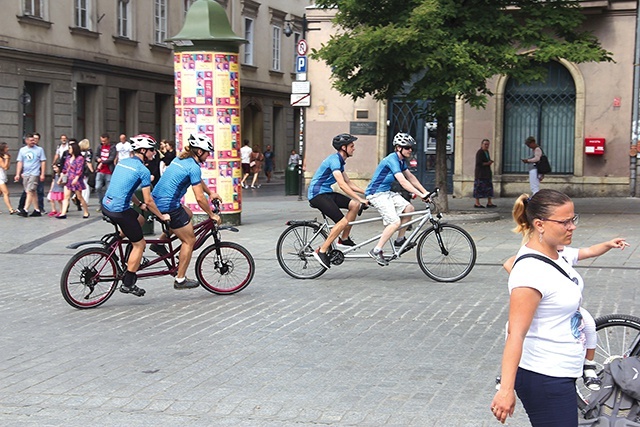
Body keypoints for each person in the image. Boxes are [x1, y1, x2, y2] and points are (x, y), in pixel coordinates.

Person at [491, 189, 586, 426]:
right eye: (564, 222)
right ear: (539, 224)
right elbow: (516, 333)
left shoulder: (556, 254)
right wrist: (505, 390)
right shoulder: (531, 271)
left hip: (560, 371)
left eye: (573, 219)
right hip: (544, 376)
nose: (572, 227)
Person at [502, 237, 630, 393]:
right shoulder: (534, 257)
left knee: (589, 323)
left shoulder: (565, 254)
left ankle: (588, 363)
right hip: (545, 306)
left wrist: (607, 245)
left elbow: (589, 251)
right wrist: (528, 286)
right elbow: (509, 263)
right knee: (516, 332)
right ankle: (509, 373)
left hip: (569, 308)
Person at [102, 135, 169, 297]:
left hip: (107, 205)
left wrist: (139, 205)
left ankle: (114, 245)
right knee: (140, 244)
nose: (154, 153)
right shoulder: (143, 170)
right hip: (120, 211)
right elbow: (150, 200)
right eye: (152, 150)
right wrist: (162, 216)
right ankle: (128, 283)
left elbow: (127, 189)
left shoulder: (123, 162)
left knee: (140, 219)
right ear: (143, 150)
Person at [151, 134, 221, 290]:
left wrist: (211, 193)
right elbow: (199, 199)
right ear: (198, 151)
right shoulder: (193, 166)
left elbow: (196, 180)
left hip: (157, 201)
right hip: (168, 206)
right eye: (207, 152)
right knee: (189, 240)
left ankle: (160, 244)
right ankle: (180, 279)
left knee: (188, 214)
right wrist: (212, 215)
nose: (209, 155)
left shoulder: (181, 159)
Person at [364, 133, 430, 266]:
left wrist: (425, 192)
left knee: (409, 208)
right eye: (407, 148)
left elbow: (410, 177)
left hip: (386, 193)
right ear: (398, 147)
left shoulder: (401, 161)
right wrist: (420, 195)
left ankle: (400, 240)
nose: (410, 150)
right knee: (394, 222)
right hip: (376, 194)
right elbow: (403, 182)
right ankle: (376, 250)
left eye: (411, 148)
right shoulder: (392, 159)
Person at [308, 133, 368, 270]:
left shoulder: (340, 162)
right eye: (352, 146)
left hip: (326, 192)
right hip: (317, 194)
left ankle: (344, 238)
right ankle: (322, 251)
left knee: (354, 205)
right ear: (343, 147)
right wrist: (360, 198)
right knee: (342, 221)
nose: (354, 148)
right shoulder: (334, 161)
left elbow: (349, 182)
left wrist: (365, 194)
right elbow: (342, 185)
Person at [14, 133, 46, 217]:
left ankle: (25, 209)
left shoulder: (39, 150)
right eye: (31, 140)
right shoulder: (22, 150)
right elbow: (20, 162)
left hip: (34, 173)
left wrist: (42, 173)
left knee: (29, 191)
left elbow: (43, 162)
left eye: (34, 140)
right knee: (33, 192)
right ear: (26, 141)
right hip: (25, 174)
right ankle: (37, 210)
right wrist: (18, 173)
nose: (33, 141)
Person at [56, 141, 90, 219]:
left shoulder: (80, 158)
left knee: (79, 197)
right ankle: (63, 213)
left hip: (76, 180)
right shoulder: (68, 158)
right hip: (68, 179)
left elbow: (79, 169)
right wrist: (60, 178)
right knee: (66, 197)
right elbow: (65, 169)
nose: (69, 150)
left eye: (70, 148)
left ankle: (86, 211)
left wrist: (76, 178)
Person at [95, 133, 116, 211]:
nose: (103, 142)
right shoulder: (99, 147)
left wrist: (102, 163)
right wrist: (97, 159)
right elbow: (96, 155)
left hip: (108, 171)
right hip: (100, 171)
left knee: (109, 189)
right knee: (98, 187)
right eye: (102, 141)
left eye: (104, 141)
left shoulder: (112, 147)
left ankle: (108, 205)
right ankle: (101, 203)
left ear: (108, 139)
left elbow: (111, 158)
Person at [473, 138, 496, 208]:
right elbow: (479, 163)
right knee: (478, 188)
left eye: (488, 144)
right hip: (480, 174)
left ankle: (489, 202)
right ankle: (477, 203)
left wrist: (489, 162)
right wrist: (487, 163)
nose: (486, 146)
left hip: (487, 174)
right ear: (482, 144)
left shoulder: (487, 152)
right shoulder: (480, 152)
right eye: (485, 144)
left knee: (489, 188)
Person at [0, 142, 17, 214]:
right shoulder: (0, 158)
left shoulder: (4, 156)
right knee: (6, 192)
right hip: (0, 177)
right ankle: (10, 209)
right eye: (6, 147)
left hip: (2, 176)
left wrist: (8, 159)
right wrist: (7, 159)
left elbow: (7, 167)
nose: (8, 148)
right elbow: (5, 167)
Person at [78, 138, 94, 206]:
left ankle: (84, 200)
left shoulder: (87, 152)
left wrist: (91, 171)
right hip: (83, 170)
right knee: (84, 185)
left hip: (84, 170)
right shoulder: (85, 152)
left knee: (85, 185)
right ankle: (83, 199)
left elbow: (88, 161)